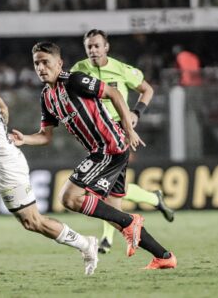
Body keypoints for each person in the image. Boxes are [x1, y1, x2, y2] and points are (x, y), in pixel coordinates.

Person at [10, 42, 176, 269]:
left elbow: (115, 93)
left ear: (59, 64)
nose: (40, 67)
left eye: (45, 62)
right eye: (36, 63)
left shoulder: (75, 80)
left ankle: (132, 222)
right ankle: (163, 256)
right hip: (103, 150)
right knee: (115, 215)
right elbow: (45, 136)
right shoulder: (47, 97)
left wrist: (129, 129)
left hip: (109, 148)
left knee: (68, 198)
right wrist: (25, 140)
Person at [0, 44, 99, 275]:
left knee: (33, 223)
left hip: (6, 167)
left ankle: (85, 244)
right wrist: (2, 128)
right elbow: (0, 106)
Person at [71, 29, 175, 254]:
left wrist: (137, 113)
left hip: (118, 133)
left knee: (101, 190)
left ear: (106, 47)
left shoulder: (120, 69)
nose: (93, 50)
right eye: (89, 46)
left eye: (97, 45)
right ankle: (152, 201)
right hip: (95, 135)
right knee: (115, 191)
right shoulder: (78, 70)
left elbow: (147, 89)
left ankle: (108, 239)